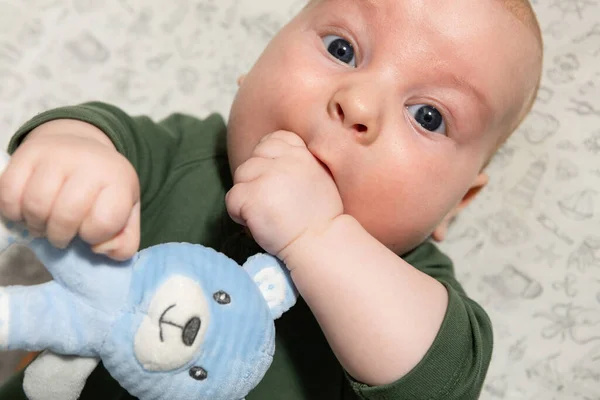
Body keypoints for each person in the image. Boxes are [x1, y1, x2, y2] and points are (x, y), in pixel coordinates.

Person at [0, 0, 543, 398]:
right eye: (342, 49)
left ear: (457, 204)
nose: (357, 103)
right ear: (251, 70)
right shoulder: (187, 154)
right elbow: (101, 132)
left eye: (429, 115)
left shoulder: (414, 296)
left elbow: (434, 382)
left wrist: (318, 236)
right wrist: (72, 153)